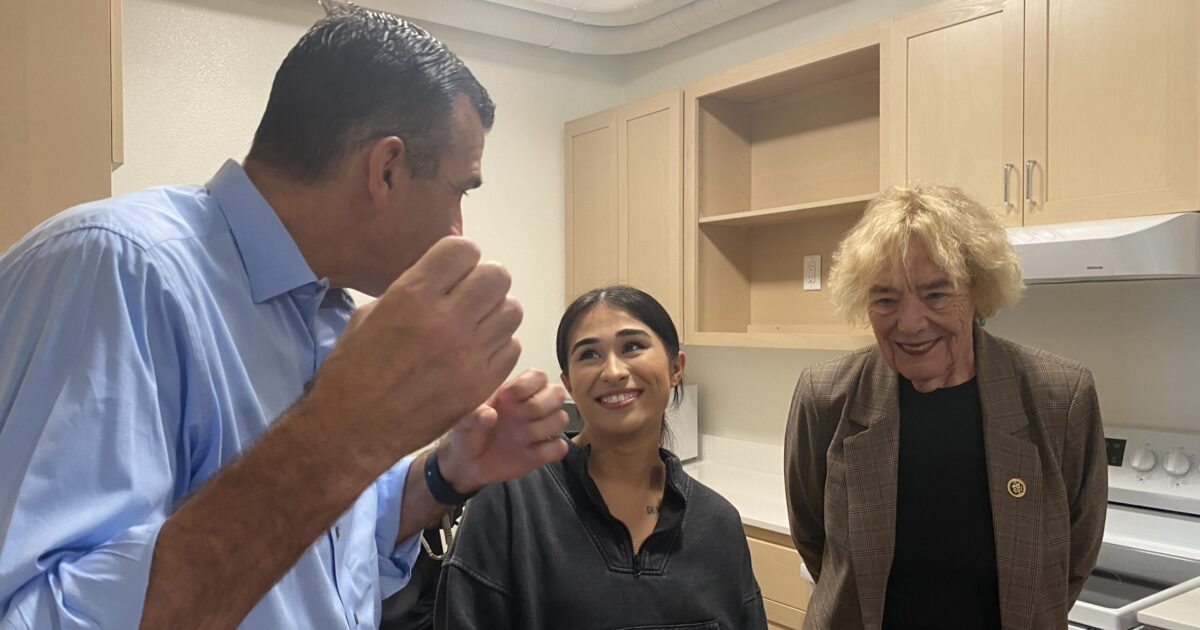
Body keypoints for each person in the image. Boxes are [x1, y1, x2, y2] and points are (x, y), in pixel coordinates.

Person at [0, 6, 569, 629]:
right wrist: (344, 434)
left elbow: (319, 561)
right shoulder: (116, 267)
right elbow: (41, 616)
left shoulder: (332, 313)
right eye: (460, 188)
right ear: (385, 170)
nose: (459, 227)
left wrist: (443, 476)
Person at [785, 185, 1107, 630]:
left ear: (977, 291)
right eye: (885, 299)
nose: (910, 323)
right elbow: (812, 537)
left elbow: (1074, 558)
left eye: (936, 294)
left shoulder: (1059, 397)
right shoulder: (825, 396)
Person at [434, 285, 767, 629]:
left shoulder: (717, 525)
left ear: (675, 367)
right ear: (568, 383)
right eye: (589, 354)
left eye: (633, 346)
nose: (613, 372)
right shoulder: (511, 501)